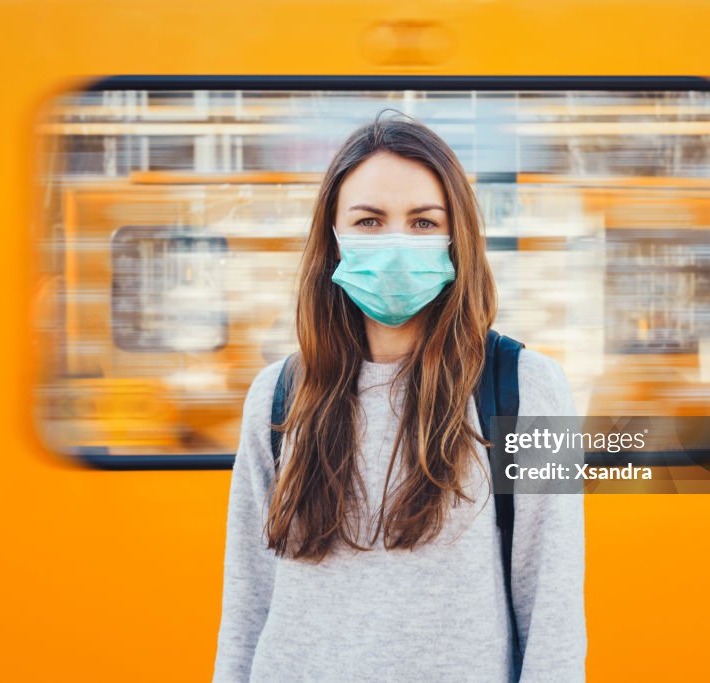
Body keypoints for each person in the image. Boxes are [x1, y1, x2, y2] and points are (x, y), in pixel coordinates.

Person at [212, 113, 585, 682]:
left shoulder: (528, 387)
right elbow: (247, 606)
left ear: (456, 237)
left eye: (422, 223)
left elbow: (552, 612)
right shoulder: (278, 396)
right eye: (368, 221)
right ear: (333, 241)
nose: (394, 244)